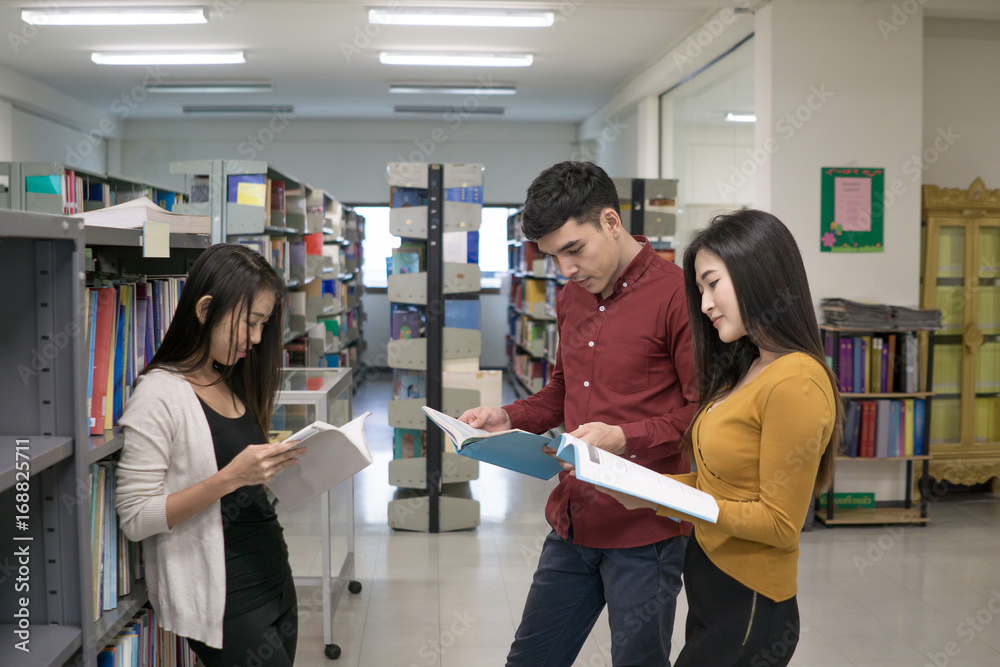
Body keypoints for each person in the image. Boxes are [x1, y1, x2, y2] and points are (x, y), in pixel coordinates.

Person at [460, 161, 699, 667]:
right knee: (530, 658)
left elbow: (704, 414)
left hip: (646, 529)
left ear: (611, 222)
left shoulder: (679, 296)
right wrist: (509, 417)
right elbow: (564, 389)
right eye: (552, 257)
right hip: (574, 517)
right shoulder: (572, 297)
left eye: (574, 250)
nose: (565, 270)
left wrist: (624, 437)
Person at [596, 209, 843, 667]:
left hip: (752, 604)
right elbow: (721, 487)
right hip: (714, 588)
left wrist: (663, 495)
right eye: (701, 289)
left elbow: (778, 523)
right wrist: (643, 489)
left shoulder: (796, 381)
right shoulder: (749, 366)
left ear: (758, 275)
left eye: (713, 283)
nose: (705, 304)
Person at [116, 243, 303, 667]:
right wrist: (231, 477)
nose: (256, 339)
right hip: (225, 597)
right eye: (250, 323)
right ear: (204, 309)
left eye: (264, 324)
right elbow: (135, 517)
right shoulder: (159, 395)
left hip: (273, 574)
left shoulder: (229, 378)